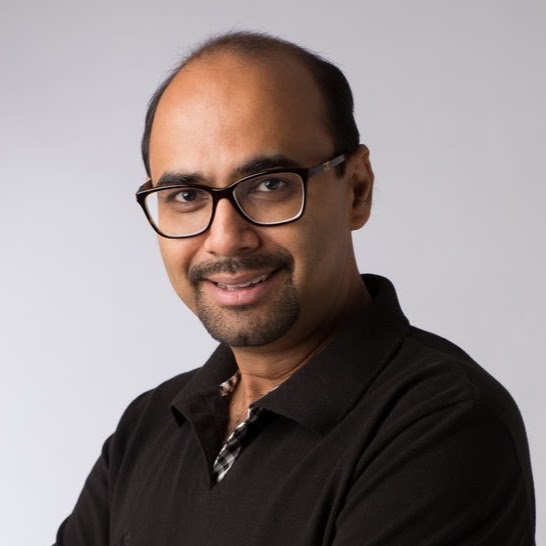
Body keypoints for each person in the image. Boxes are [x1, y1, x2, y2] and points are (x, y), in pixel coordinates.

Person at [55, 31, 536, 545]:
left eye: (270, 185)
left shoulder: (443, 425)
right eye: (187, 195)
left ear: (357, 189)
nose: (225, 239)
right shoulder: (147, 426)